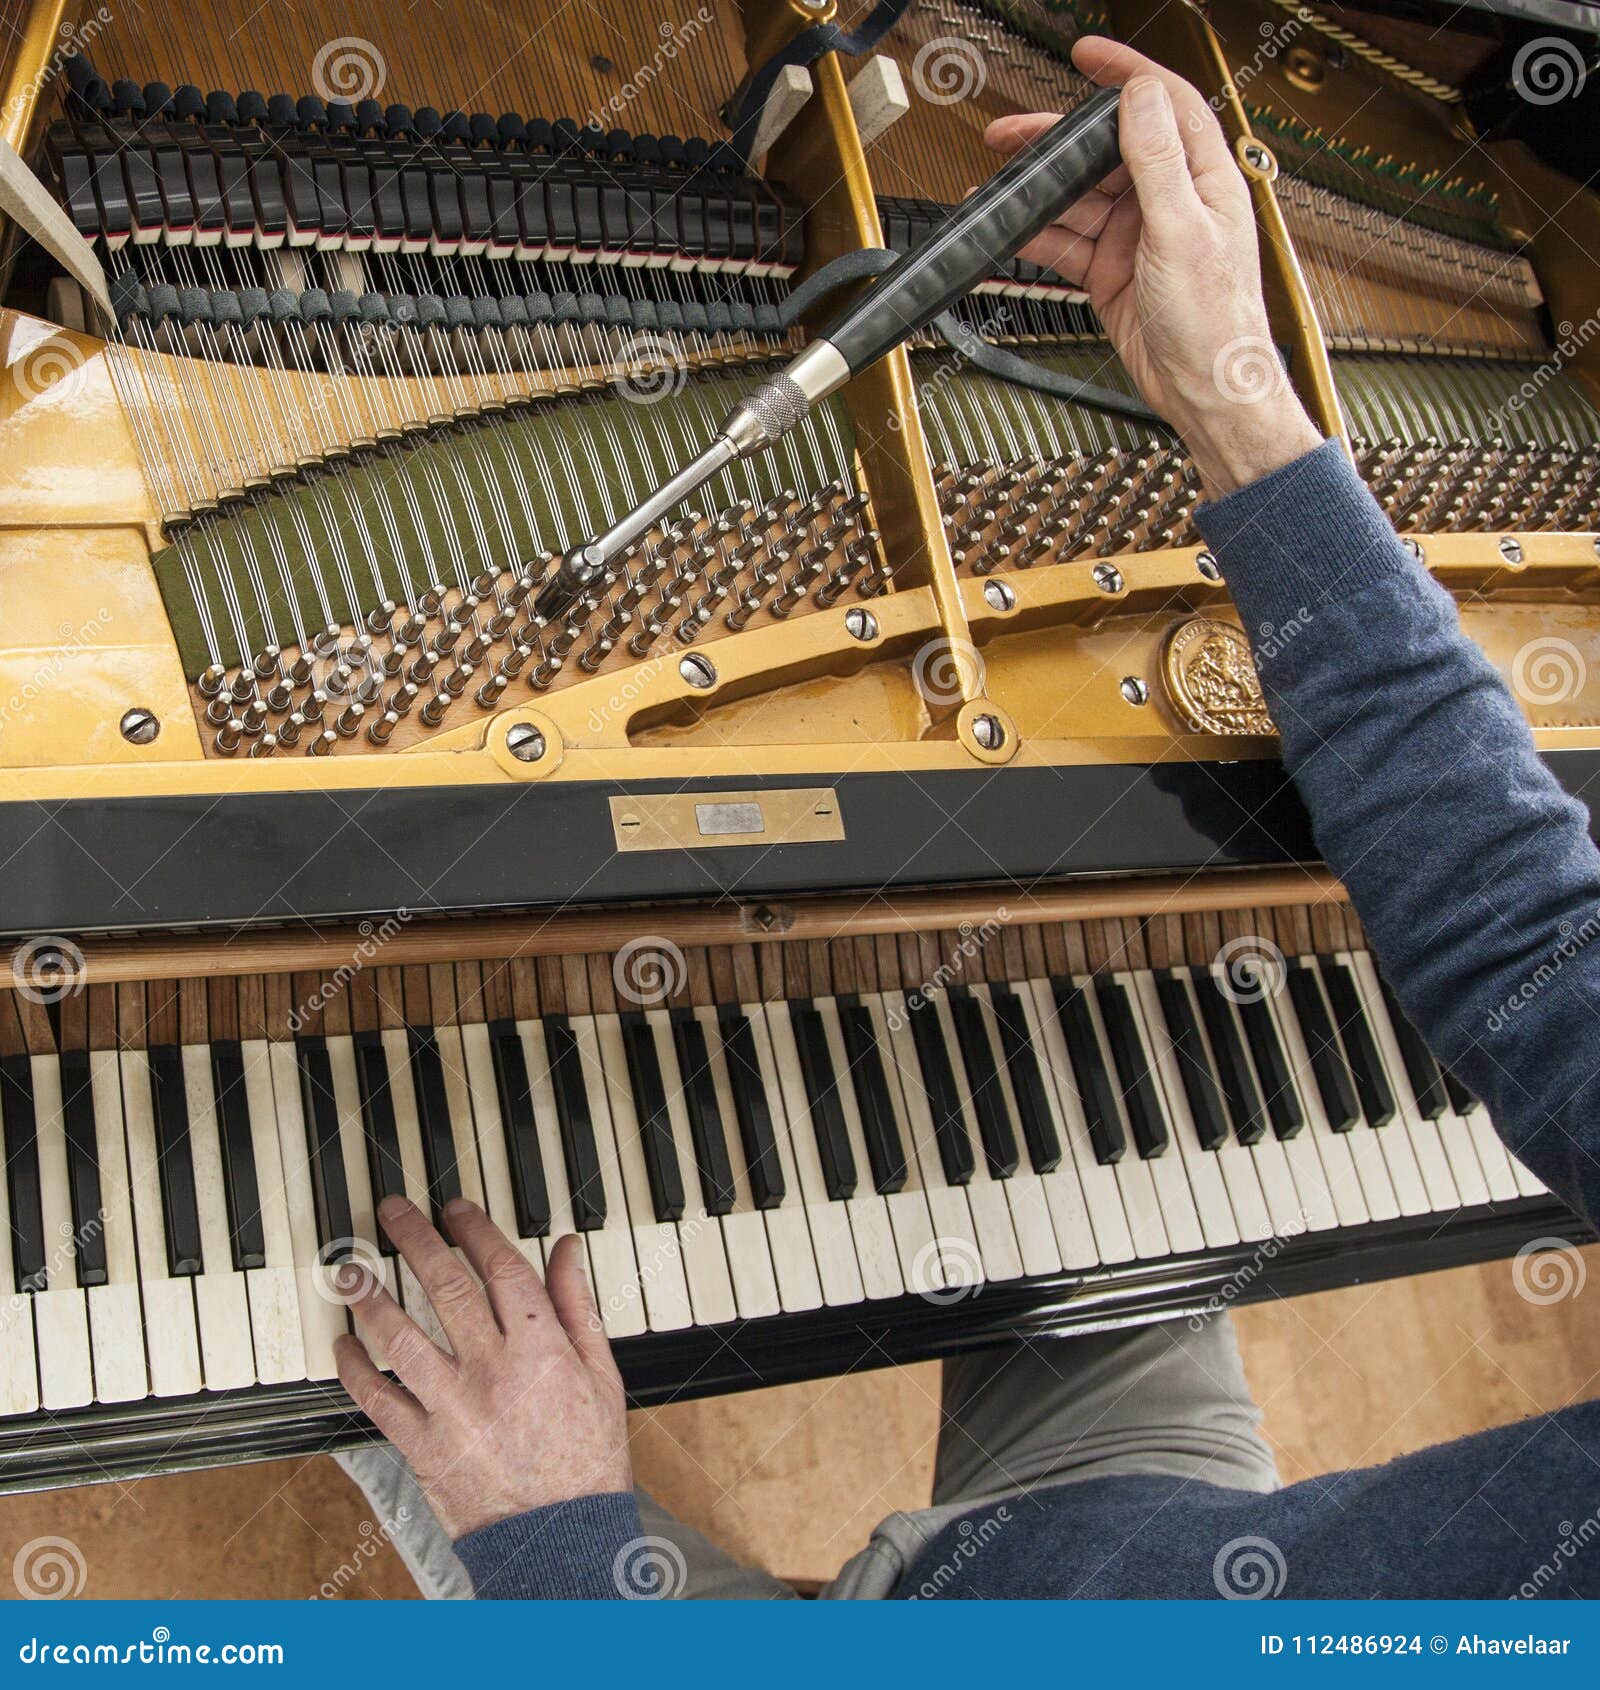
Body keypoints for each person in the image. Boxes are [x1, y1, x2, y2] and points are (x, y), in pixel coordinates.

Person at [333, 37, 1600, 1599]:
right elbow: (1531, 940)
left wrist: (554, 1537)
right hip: (1155, 1543)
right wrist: (1235, 400)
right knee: (1121, 1175)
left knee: (374, 1327)